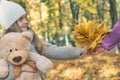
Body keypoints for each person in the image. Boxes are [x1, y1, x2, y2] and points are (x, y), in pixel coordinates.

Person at [0, 0, 87, 80]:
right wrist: (20, 69)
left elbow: (53, 50)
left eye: (25, 17)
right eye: (21, 19)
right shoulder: (3, 46)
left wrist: (79, 51)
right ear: (12, 24)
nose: (26, 21)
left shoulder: (31, 38)